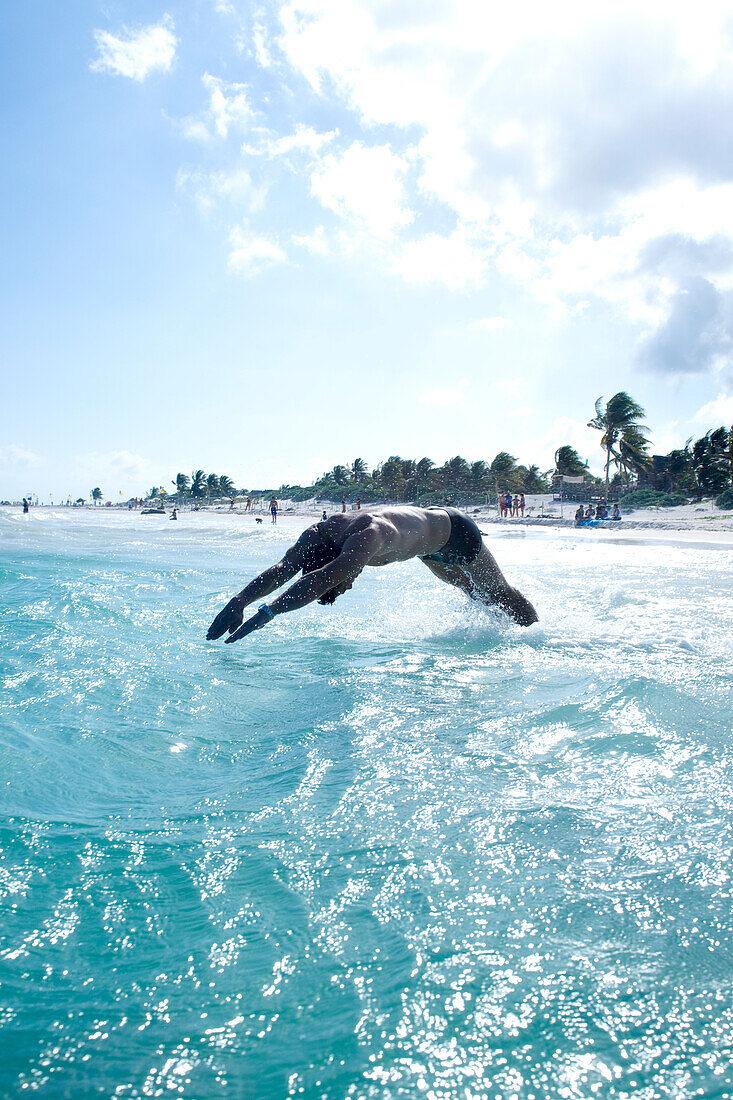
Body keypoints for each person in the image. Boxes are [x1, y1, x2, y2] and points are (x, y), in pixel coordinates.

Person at [207, 505, 538, 644]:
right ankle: (506, 632)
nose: (347, 587)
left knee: (499, 593)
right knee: (476, 595)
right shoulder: (319, 534)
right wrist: (240, 600)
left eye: (343, 585)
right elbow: (284, 569)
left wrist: (268, 612)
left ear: (337, 567)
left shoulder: (366, 536)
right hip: (428, 550)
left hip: (456, 534)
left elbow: (321, 579)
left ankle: (538, 634)